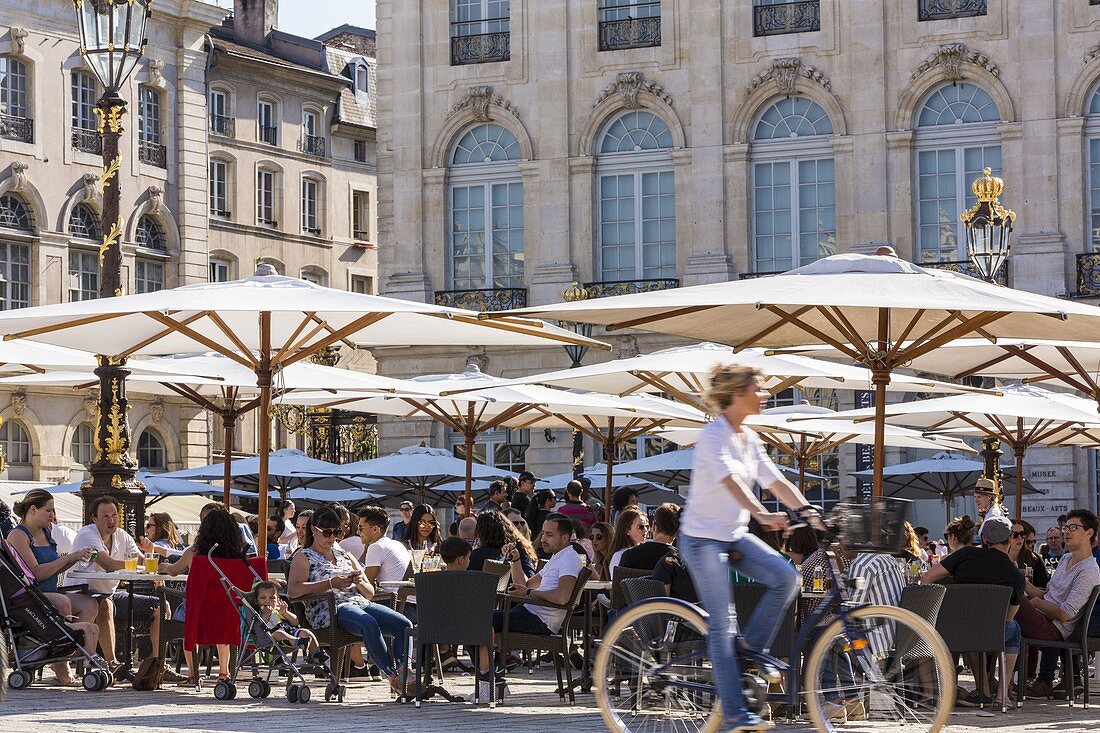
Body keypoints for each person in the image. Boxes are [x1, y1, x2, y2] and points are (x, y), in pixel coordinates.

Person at [679, 364, 814, 733]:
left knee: (787, 577)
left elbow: (775, 480)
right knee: (723, 624)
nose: (766, 394)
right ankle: (737, 714)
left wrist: (805, 510)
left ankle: (746, 656)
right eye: (760, 387)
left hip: (733, 534)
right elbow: (729, 480)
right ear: (738, 393)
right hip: (702, 538)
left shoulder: (750, 438)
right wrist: (760, 512)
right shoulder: (713, 435)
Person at [288, 505, 412, 695]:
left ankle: (404, 673)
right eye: (327, 533)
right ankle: (392, 676)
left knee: (404, 623)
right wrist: (331, 583)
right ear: (314, 530)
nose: (332, 538)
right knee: (368, 623)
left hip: (360, 602)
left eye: (337, 532)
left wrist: (360, 580)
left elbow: (369, 593)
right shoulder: (303, 557)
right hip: (331, 608)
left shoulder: (345, 554)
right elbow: (293, 591)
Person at [476, 516, 583, 699]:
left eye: (549, 535)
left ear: (565, 538)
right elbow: (525, 584)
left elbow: (562, 597)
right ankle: (491, 680)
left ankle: (491, 681)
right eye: (543, 533)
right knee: (477, 621)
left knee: (479, 622)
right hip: (530, 612)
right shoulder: (558, 557)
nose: (543, 539)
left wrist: (528, 594)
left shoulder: (569, 560)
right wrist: (516, 560)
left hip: (541, 621)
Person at [922, 515, 1024, 706]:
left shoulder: (966, 554)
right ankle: (1003, 695)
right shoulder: (1016, 575)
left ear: (984, 538)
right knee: (1014, 629)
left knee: (971, 630)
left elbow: (927, 578)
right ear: (1010, 538)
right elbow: (1009, 617)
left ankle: (980, 691)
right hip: (991, 631)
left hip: (956, 629)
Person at [8, 489, 101, 685]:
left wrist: (76, 556)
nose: (52, 515)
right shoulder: (18, 535)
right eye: (48, 510)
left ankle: (78, 648)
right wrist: (69, 557)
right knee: (63, 601)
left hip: (48, 593)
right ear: (33, 509)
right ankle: (61, 659)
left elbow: (55, 568)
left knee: (90, 604)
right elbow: (37, 572)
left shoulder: (46, 531)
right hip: (31, 597)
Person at [70, 496, 169, 681]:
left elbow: (141, 560)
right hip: (83, 593)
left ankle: (157, 665)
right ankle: (112, 664)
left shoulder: (122, 535)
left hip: (112, 593)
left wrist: (149, 554)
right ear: (94, 519)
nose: (111, 520)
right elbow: (108, 564)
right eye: (105, 516)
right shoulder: (87, 535)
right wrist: (136, 563)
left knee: (161, 606)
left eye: (114, 515)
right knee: (105, 605)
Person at [159, 507, 249, 686]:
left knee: (188, 613)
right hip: (227, 612)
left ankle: (193, 675)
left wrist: (164, 567)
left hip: (198, 611)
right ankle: (224, 672)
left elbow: (174, 571)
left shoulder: (194, 553)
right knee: (222, 624)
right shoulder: (237, 557)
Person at [1019, 509, 1100, 699]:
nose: (1067, 532)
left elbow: (1066, 614)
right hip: (1043, 617)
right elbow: (1050, 593)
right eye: (1065, 527)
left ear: (1089, 533)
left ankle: (997, 682)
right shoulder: (1065, 559)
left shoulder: (1089, 570)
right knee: (1008, 598)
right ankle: (1005, 681)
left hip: (1056, 629)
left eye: (1073, 527)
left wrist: (1035, 602)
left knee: (1008, 604)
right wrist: (1028, 587)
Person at [250, 580, 327, 665]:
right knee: (279, 633)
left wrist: (285, 613)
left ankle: (316, 654)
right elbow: (258, 628)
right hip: (271, 640)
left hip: (288, 631)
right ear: (256, 601)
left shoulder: (278, 610)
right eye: (263, 598)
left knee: (306, 632)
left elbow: (295, 622)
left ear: (278, 599)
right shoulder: (259, 613)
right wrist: (265, 616)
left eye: (272, 598)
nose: (267, 601)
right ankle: (299, 642)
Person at [469, 510, 536, 577]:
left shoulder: (477, 555)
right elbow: (530, 575)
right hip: (515, 585)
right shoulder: (517, 549)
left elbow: (466, 580)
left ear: (480, 532)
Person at [358, 507, 413, 586]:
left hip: (393, 597)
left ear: (375, 529)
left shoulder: (376, 547)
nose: (358, 532)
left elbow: (365, 584)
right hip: (407, 595)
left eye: (360, 528)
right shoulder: (397, 544)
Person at [619, 503, 681, 573]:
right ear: (677, 532)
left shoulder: (629, 556)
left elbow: (618, 583)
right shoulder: (680, 561)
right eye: (641, 527)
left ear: (654, 526)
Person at [606, 507, 648, 577]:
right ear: (627, 530)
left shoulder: (645, 552)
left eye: (647, 526)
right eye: (641, 527)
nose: (645, 530)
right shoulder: (619, 556)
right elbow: (617, 584)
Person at [1009, 518, 1049, 589]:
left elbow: (1043, 585)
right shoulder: (999, 557)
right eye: (1015, 535)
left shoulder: (1034, 559)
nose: (1019, 538)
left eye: (1022, 534)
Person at [525, 489, 557, 558]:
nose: (556, 500)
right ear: (548, 501)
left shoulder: (533, 515)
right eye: (554, 498)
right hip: (545, 551)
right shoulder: (551, 518)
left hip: (532, 550)